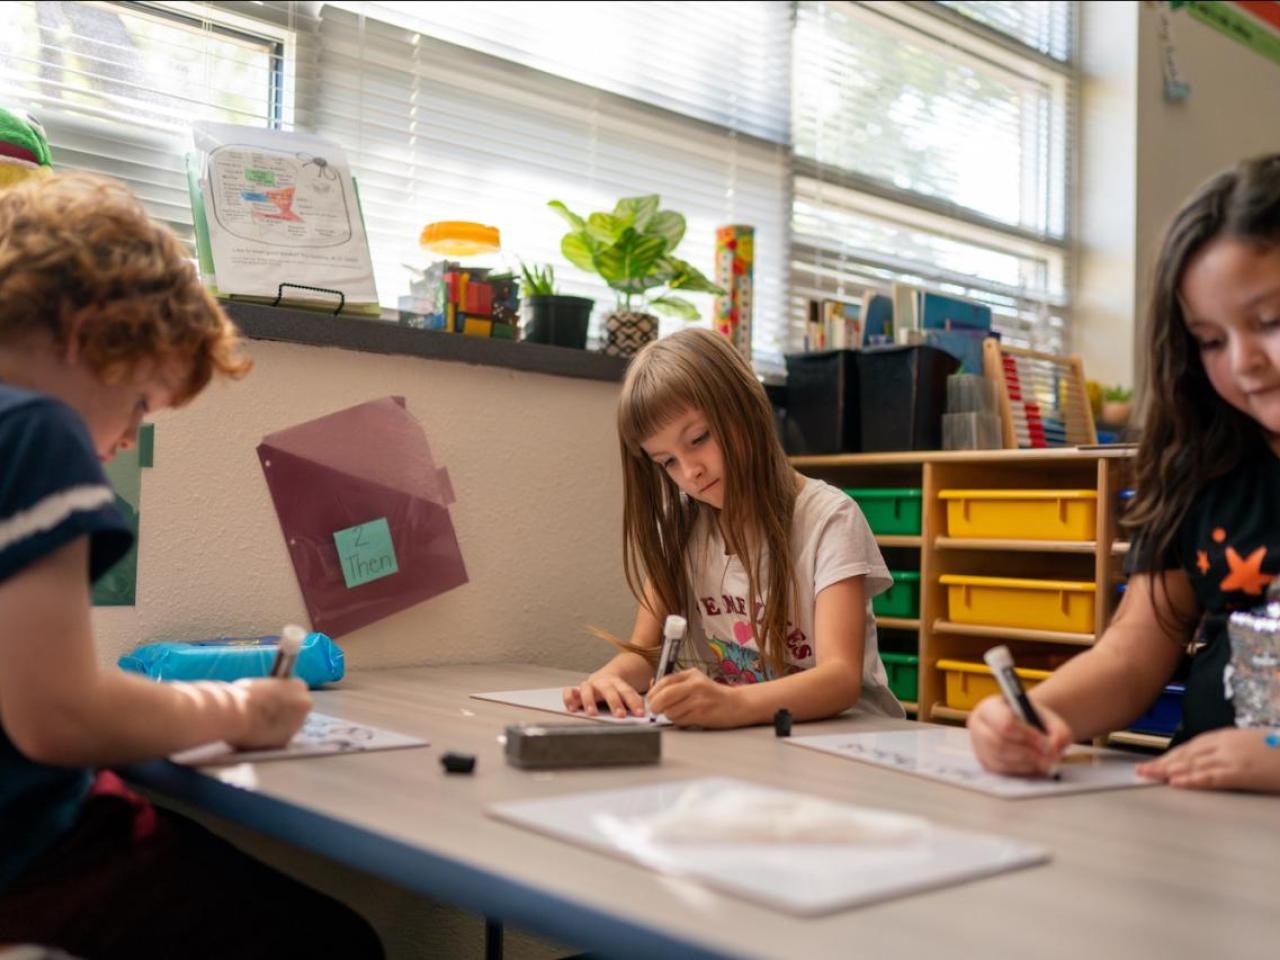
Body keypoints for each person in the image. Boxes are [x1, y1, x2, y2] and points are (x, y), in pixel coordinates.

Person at [0, 172, 383, 957]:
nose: (122, 443)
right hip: (30, 859)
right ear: (89, 333)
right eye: (141, 404)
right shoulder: (34, 430)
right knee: (335, 943)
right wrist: (241, 710)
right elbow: (57, 715)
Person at [968, 153, 1280, 794]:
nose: (1245, 361)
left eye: (1270, 322)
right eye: (1212, 340)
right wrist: (1036, 713)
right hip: (1195, 804)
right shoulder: (1205, 465)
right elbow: (1133, 654)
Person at [563, 327, 903, 728]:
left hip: (846, 740)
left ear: (743, 407)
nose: (690, 471)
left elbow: (840, 679)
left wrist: (733, 703)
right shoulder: (679, 525)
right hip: (754, 739)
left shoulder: (829, 519)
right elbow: (646, 655)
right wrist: (610, 679)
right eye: (667, 462)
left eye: (699, 438)